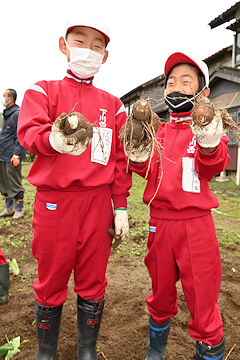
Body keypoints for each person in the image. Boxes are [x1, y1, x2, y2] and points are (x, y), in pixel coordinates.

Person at [17, 16, 131, 360]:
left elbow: (120, 160)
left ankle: (86, 351)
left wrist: (121, 205)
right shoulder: (42, 91)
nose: (89, 51)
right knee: (51, 279)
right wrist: (53, 138)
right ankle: (46, 351)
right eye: (80, 41)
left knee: (94, 279)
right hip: (55, 202)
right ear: (64, 45)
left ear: (106, 56)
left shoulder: (114, 105)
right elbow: (29, 133)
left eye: (97, 46)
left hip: (97, 204)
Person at [126, 52, 230, 360]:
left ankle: (209, 348)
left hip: (195, 226)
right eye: (171, 83)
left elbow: (213, 165)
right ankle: (155, 352)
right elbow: (145, 171)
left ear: (203, 93)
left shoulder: (206, 131)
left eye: (186, 82)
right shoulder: (158, 132)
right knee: (160, 292)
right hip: (159, 223)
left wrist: (209, 142)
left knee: (202, 296)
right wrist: (137, 153)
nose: (176, 88)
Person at [0, 89, 26, 219]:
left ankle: (19, 209)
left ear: (10, 99)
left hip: (12, 155)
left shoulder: (17, 114)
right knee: (4, 183)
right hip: (3, 154)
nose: (3, 98)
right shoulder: (6, 114)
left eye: (4, 96)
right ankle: (8, 209)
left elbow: (19, 136)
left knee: (14, 182)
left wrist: (17, 154)